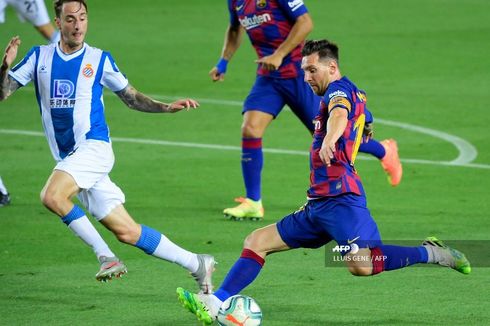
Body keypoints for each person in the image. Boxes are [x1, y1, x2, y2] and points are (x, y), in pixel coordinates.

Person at [176, 39, 470, 324]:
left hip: (343, 199)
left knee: (362, 265)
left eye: (311, 70)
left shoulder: (337, 93)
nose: (305, 78)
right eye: (303, 70)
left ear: (331, 68)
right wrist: (366, 123)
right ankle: (213, 303)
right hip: (317, 204)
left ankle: (435, 253)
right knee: (256, 241)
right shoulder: (351, 90)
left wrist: (331, 136)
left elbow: (340, 113)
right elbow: (362, 110)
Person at [0, 0, 216, 292]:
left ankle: (106, 258)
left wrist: (166, 108)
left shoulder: (98, 59)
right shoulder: (39, 57)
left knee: (52, 196)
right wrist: (5, 66)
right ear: (58, 21)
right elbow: (3, 93)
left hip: (94, 148)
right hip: (72, 158)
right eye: (71, 19)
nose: (78, 26)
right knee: (127, 231)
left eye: (83, 18)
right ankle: (197, 263)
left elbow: (131, 97)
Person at [212, 0, 402, 221]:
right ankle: (253, 202)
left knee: (330, 136)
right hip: (269, 77)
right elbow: (235, 28)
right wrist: (223, 62)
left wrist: (280, 54)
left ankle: (384, 151)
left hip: (300, 77)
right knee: (250, 129)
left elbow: (305, 22)